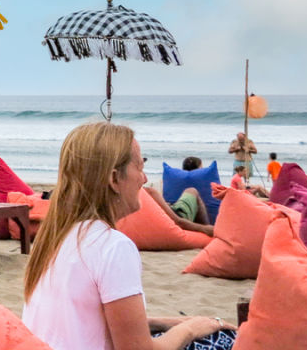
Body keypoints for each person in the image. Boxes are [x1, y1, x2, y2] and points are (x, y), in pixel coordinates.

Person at [23, 122, 236, 350]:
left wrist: (167, 322)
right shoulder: (112, 247)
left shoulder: (58, 237)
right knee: (222, 341)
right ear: (114, 179)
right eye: (139, 167)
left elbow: (86, 320)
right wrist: (191, 328)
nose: (144, 179)